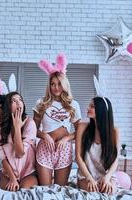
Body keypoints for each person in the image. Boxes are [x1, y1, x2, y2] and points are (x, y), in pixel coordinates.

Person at [33, 53, 82, 186]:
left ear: (64, 84)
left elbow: (80, 131)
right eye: (52, 84)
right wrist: (44, 136)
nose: (55, 88)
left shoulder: (73, 104)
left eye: (59, 84)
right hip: (44, 148)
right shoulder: (41, 103)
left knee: (61, 189)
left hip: (64, 149)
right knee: (45, 189)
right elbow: (33, 130)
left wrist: (66, 138)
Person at [75, 97, 119, 195]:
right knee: (93, 192)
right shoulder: (82, 127)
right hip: (86, 175)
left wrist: (107, 178)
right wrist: (89, 178)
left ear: (101, 110)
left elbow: (116, 160)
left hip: (106, 175)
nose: (88, 108)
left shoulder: (115, 132)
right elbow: (78, 157)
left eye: (92, 106)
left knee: (109, 192)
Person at [0, 91, 38, 191]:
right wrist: (12, 179)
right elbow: (3, 158)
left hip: (28, 172)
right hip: (8, 173)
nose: (18, 102)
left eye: (20, 100)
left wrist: (17, 127)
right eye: (14, 101)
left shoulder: (30, 123)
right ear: (7, 106)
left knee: (24, 191)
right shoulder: (0, 127)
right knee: (10, 192)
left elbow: (19, 153)